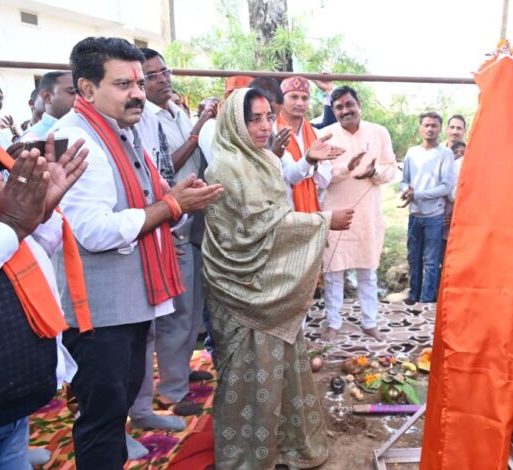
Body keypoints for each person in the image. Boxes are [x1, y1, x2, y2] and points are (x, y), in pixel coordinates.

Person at [52, 36, 224, 468]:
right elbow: (93, 231)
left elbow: (151, 200)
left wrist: (176, 199)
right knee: (101, 420)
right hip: (98, 314)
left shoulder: (123, 132)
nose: (137, 94)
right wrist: (171, 205)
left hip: (128, 306)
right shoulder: (77, 140)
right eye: (123, 84)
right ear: (87, 89)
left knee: (116, 411)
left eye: (139, 83)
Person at [0, 17, 91, 468]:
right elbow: (2, 238)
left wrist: (41, 215)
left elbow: (18, 255)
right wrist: (14, 225)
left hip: (6, 402)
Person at [202, 87, 353, 469]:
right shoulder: (224, 167)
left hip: (272, 286)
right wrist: (323, 221)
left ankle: (287, 445)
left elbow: (276, 200)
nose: (265, 125)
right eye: (254, 118)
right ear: (234, 122)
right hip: (239, 286)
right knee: (246, 376)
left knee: (280, 366)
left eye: (269, 116)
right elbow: (255, 224)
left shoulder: (265, 158)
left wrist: (307, 162)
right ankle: (248, 457)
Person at [129, 47, 215, 421]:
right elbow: (166, 168)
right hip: (169, 221)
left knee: (192, 307)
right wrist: (196, 133)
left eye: (165, 71)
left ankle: (179, 373)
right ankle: (171, 391)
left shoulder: (175, 110)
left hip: (191, 218)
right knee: (175, 313)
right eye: (153, 75)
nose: (163, 78)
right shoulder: (142, 118)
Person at [319, 86, 399, 341]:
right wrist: (347, 168)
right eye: (339, 107)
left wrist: (372, 173)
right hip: (335, 213)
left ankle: (370, 321)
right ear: (333, 110)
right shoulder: (324, 136)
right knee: (333, 273)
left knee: (368, 272)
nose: (345, 110)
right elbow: (319, 179)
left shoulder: (378, 132)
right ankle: (333, 323)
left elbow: (391, 170)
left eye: (349, 104)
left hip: (367, 215)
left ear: (358, 103)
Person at [400, 112, 454, 304]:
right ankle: (413, 296)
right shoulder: (412, 152)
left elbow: (445, 187)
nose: (430, 129)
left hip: (434, 215)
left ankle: (427, 301)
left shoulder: (445, 153)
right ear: (420, 128)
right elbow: (404, 180)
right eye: (426, 125)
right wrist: (406, 191)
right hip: (414, 214)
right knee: (413, 258)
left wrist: (418, 194)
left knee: (431, 262)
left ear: (440, 129)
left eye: (434, 125)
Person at [273, 76, 333, 211]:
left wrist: (315, 165)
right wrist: (310, 160)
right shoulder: (272, 131)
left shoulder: (316, 134)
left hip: (312, 210)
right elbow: (291, 176)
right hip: (282, 209)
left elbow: (325, 181)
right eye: (293, 97)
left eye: (305, 98)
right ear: (281, 99)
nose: (300, 103)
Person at [21, 71, 77, 141]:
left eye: (82, 93)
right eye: (72, 92)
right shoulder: (34, 138)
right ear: (47, 97)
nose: (79, 97)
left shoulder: (83, 127)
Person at [442, 140, 466, 262]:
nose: (459, 155)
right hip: (444, 225)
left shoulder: (467, 176)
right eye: (455, 152)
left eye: (463, 153)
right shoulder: (445, 173)